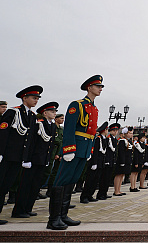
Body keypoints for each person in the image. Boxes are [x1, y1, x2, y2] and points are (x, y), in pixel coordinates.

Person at [47, 75, 103, 230]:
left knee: (72, 180)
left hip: (84, 149)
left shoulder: (94, 108)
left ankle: (63, 215)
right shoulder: (77, 105)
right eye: (98, 86)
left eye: (101, 87)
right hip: (74, 148)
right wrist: (69, 149)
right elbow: (70, 128)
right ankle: (53, 218)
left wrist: (90, 149)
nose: (100, 89)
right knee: (62, 180)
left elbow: (91, 132)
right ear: (89, 87)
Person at [0, 85, 42, 225]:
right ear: (24, 98)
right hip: (6, 156)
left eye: (37, 98)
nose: (36, 101)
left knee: (6, 185)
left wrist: (26, 158)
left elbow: (29, 139)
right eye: (33, 98)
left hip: (18, 158)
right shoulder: (13, 112)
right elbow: (3, 133)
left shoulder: (31, 116)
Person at [12, 101, 58, 218]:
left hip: (42, 160)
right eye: (52, 111)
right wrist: (26, 159)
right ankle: (18, 210)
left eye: (55, 111)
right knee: (26, 185)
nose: (54, 113)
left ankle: (28, 208)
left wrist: (47, 159)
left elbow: (50, 145)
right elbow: (30, 143)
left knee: (35, 186)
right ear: (45, 113)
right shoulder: (39, 124)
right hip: (32, 160)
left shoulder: (52, 126)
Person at [80, 122, 108, 203]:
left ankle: (90, 195)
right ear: (104, 130)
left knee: (96, 181)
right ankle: (84, 196)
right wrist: (94, 163)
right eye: (106, 130)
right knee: (90, 180)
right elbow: (95, 152)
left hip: (100, 163)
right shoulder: (98, 139)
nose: (107, 131)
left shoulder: (104, 139)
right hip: (95, 163)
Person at [96, 123, 118, 200]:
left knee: (108, 179)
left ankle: (104, 193)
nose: (115, 132)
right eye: (113, 130)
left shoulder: (114, 139)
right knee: (104, 178)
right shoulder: (108, 138)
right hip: (107, 161)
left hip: (111, 161)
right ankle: (101, 194)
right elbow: (108, 151)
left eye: (116, 131)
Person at [45, 114, 64, 198]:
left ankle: (50, 189)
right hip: (51, 151)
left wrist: (60, 154)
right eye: (61, 118)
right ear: (56, 119)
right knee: (46, 171)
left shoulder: (61, 129)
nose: (63, 120)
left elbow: (61, 142)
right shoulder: (53, 127)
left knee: (55, 172)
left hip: (58, 152)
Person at [113, 127, 133, 196]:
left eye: (132, 133)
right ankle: (116, 190)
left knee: (122, 175)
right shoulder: (122, 141)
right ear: (125, 134)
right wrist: (122, 162)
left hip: (127, 161)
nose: (131, 135)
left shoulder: (129, 141)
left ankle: (119, 189)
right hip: (121, 161)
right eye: (130, 133)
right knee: (118, 175)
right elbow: (121, 153)